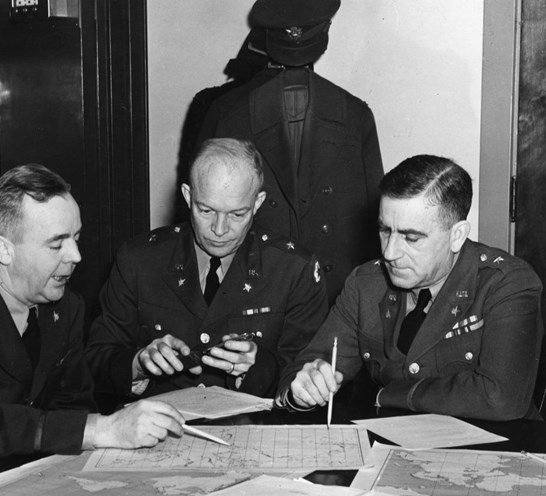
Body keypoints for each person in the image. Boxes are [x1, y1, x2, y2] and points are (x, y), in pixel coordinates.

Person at [0, 164, 185, 496]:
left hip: (23, 476)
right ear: (4, 249)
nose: (76, 256)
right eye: (56, 244)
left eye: (76, 238)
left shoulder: (66, 306)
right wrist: (104, 429)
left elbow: (72, 402)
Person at [276, 155, 544, 421]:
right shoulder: (366, 284)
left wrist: (388, 395)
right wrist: (303, 389)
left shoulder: (506, 283)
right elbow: (305, 367)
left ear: (457, 236)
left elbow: (501, 398)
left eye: (411, 238)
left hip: (498, 450)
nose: (390, 252)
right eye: (385, 231)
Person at [86, 138, 328, 401]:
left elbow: (304, 377)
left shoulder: (294, 269)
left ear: (257, 203)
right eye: (206, 210)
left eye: (237, 214)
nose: (220, 230)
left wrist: (256, 367)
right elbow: (94, 361)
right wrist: (138, 364)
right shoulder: (139, 259)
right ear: (188, 196)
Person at [198, 0, 384, 305]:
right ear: (325, 33)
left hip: (257, 296)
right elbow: (376, 223)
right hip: (333, 299)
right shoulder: (356, 115)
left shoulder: (227, 113)